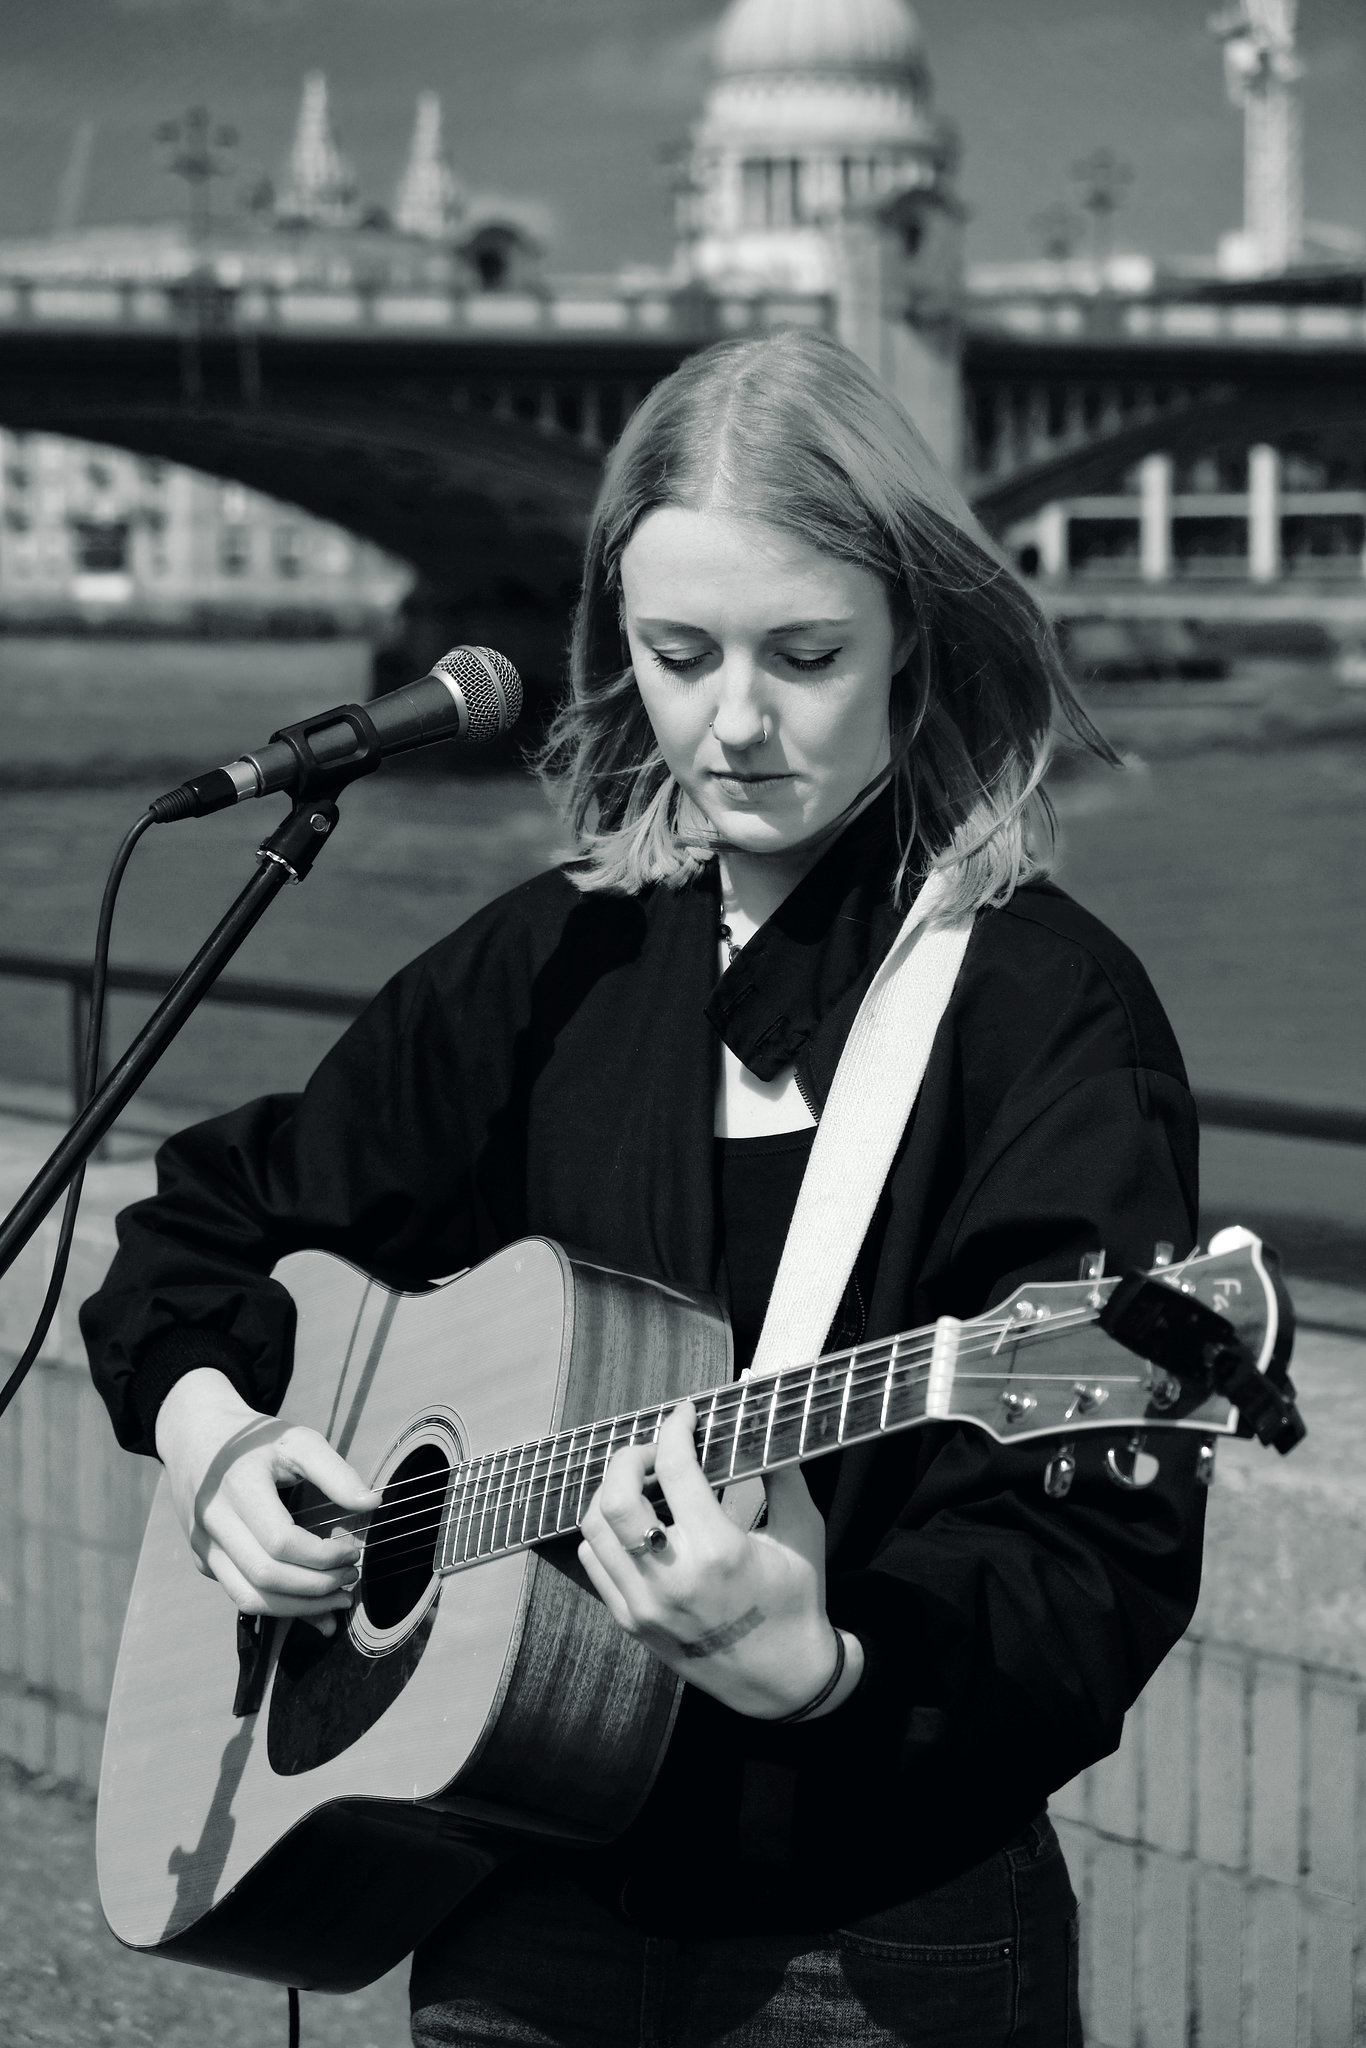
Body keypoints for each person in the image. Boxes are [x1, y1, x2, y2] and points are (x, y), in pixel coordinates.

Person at [83, 328, 1204, 2046]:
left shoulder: (1045, 1012)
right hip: (508, 1892)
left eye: (806, 655)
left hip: (879, 1935)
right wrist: (220, 1440)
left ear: (919, 637)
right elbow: (203, 1233)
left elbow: (1093, 1552)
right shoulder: (552, 962)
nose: (733, 722)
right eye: (677, 655)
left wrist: (828, 1666)